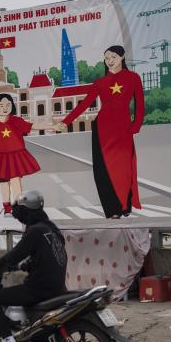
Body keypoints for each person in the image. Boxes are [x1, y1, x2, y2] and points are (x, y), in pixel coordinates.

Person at [55, 45, 145, 218]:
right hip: (102, 129)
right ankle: (113, 210)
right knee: (103, 171)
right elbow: (85, 104)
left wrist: (135, 126)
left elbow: (140, 104)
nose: (109, 61)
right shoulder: (100, 82)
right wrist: (66, 122)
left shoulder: (133, 78)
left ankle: (125, 206)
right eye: (106, 58)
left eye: (113, 57)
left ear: (122, 57)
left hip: (123, 129)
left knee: (124, 169)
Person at [0, 190, 68, 342]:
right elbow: (44, 257)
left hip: (39, 289)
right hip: (57, 287)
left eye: (20, 210)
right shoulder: (51, 229)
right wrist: (23, 266)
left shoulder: (34, 231)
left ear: (27, 211)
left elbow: (12, 256)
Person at [0, 93, 55, 217]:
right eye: (1, 105)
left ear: (12, 106)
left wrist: (52, 126)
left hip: (15, 155)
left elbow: (32, 126)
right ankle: (7, 208)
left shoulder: (16, 121)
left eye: (8, 104)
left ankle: (18, 207)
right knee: (4, 182)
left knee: (16, 181)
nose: (5, 107)